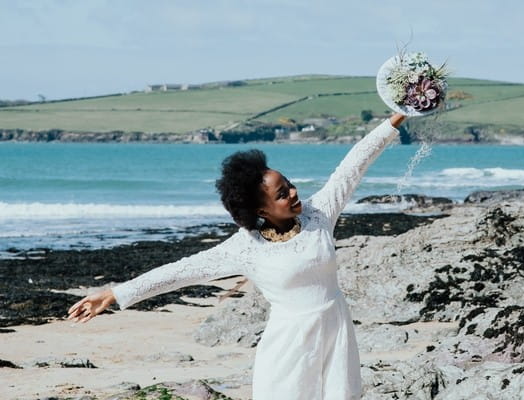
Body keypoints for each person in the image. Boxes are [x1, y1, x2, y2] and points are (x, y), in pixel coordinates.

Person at [68, 113, 406, 399]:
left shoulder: (319, 214)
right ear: (261, 208)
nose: (294, 192)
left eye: (289, 184)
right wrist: (116, 293)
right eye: (282, 192)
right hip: (289, 346)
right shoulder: (245, 247)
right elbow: (181, 271)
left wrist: (396, 117)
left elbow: (354, 163)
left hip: (336, 330)